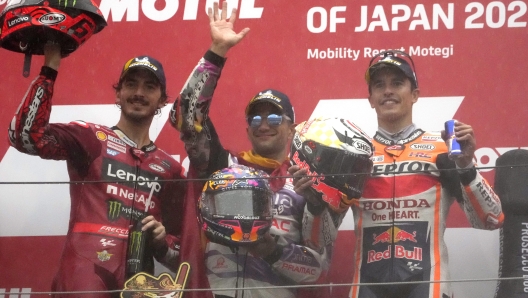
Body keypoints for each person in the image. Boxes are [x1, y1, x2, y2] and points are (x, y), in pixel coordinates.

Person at [291, 50, 504, 298]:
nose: (388, 91)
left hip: (430, 288)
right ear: (370, 98)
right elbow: (317, 240)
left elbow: (492, 220)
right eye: (379, 85)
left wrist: (467, 167)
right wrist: (315, 203)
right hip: (366, 289)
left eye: (397, 83)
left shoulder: (445, 149)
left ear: (415, 95)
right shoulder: (352, 158)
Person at [170, 2, 339, 298]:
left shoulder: (306, 183)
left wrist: (268, 248)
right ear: (247, 129)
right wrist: (217, 52)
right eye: (255, 118)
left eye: (274, 117)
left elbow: (319, 270)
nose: (264, 124)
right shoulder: (223, 168)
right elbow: (186, 117)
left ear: (291, 128)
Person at [8, 43, 186, 296]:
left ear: (161, 100)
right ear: (118, 94)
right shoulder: (90, 138)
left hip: (140, 283)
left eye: (149, 86)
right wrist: (50, 68)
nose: (139, 92)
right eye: (131, 84)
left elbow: (183, 251)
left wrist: (162, 242)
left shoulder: (171, 169)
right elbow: (25, 137)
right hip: (83, 275)